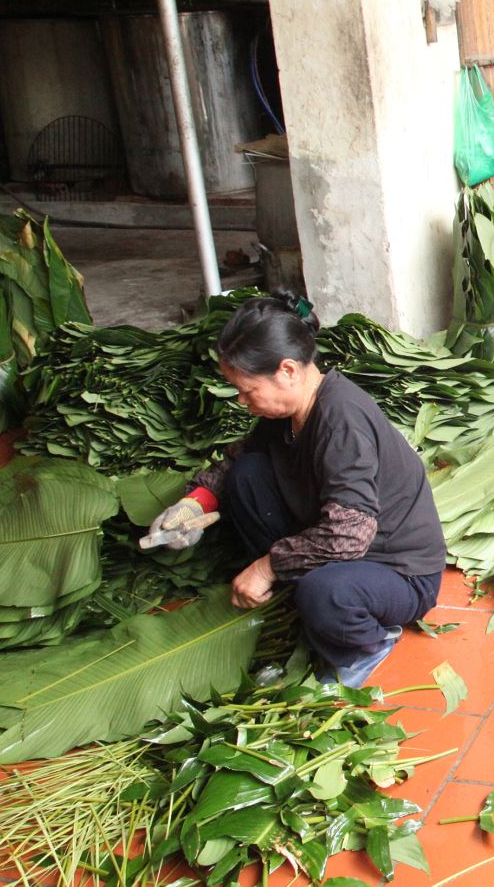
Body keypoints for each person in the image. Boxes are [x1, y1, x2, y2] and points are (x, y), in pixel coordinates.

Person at [141, 293, 445, 687]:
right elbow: (237, 459)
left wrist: (265, 566)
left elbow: (349, 535)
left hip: (397, 571)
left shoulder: (341, 423)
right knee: (247, 474)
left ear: (287, 370)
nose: (242, 401)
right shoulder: (288, 410)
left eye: (248, 390)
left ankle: (366, 642)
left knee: (326, 592)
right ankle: (295, 592)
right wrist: (192, 504)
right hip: (340, 543)